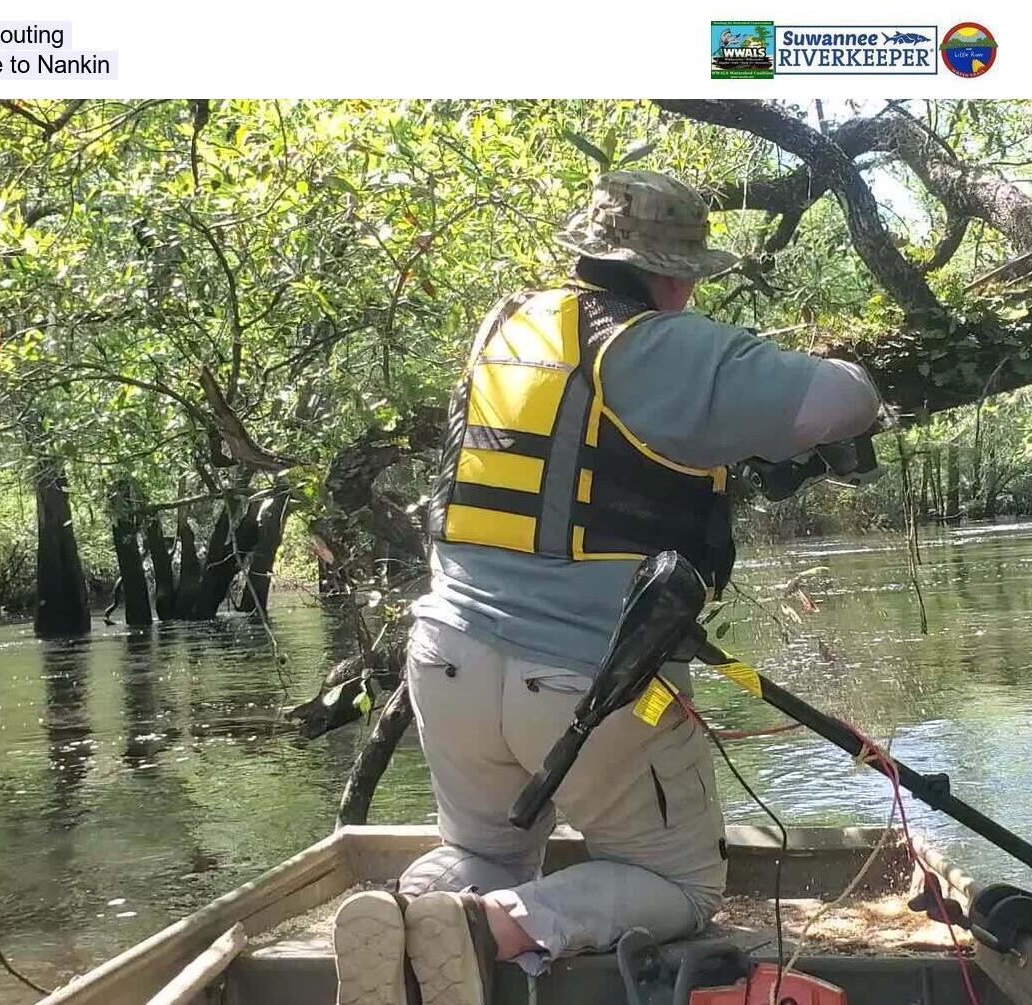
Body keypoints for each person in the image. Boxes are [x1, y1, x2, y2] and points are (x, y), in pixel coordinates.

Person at [330, 170, 881, 1005]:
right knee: (677, 878)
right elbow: (841, 402)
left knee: (486, 844)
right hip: (588, 681)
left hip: (445, 660)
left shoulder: (508, 324)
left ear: (588, 250)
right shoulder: (661, 343)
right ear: (675, 274)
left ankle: (409, 910)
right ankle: (496, 928)